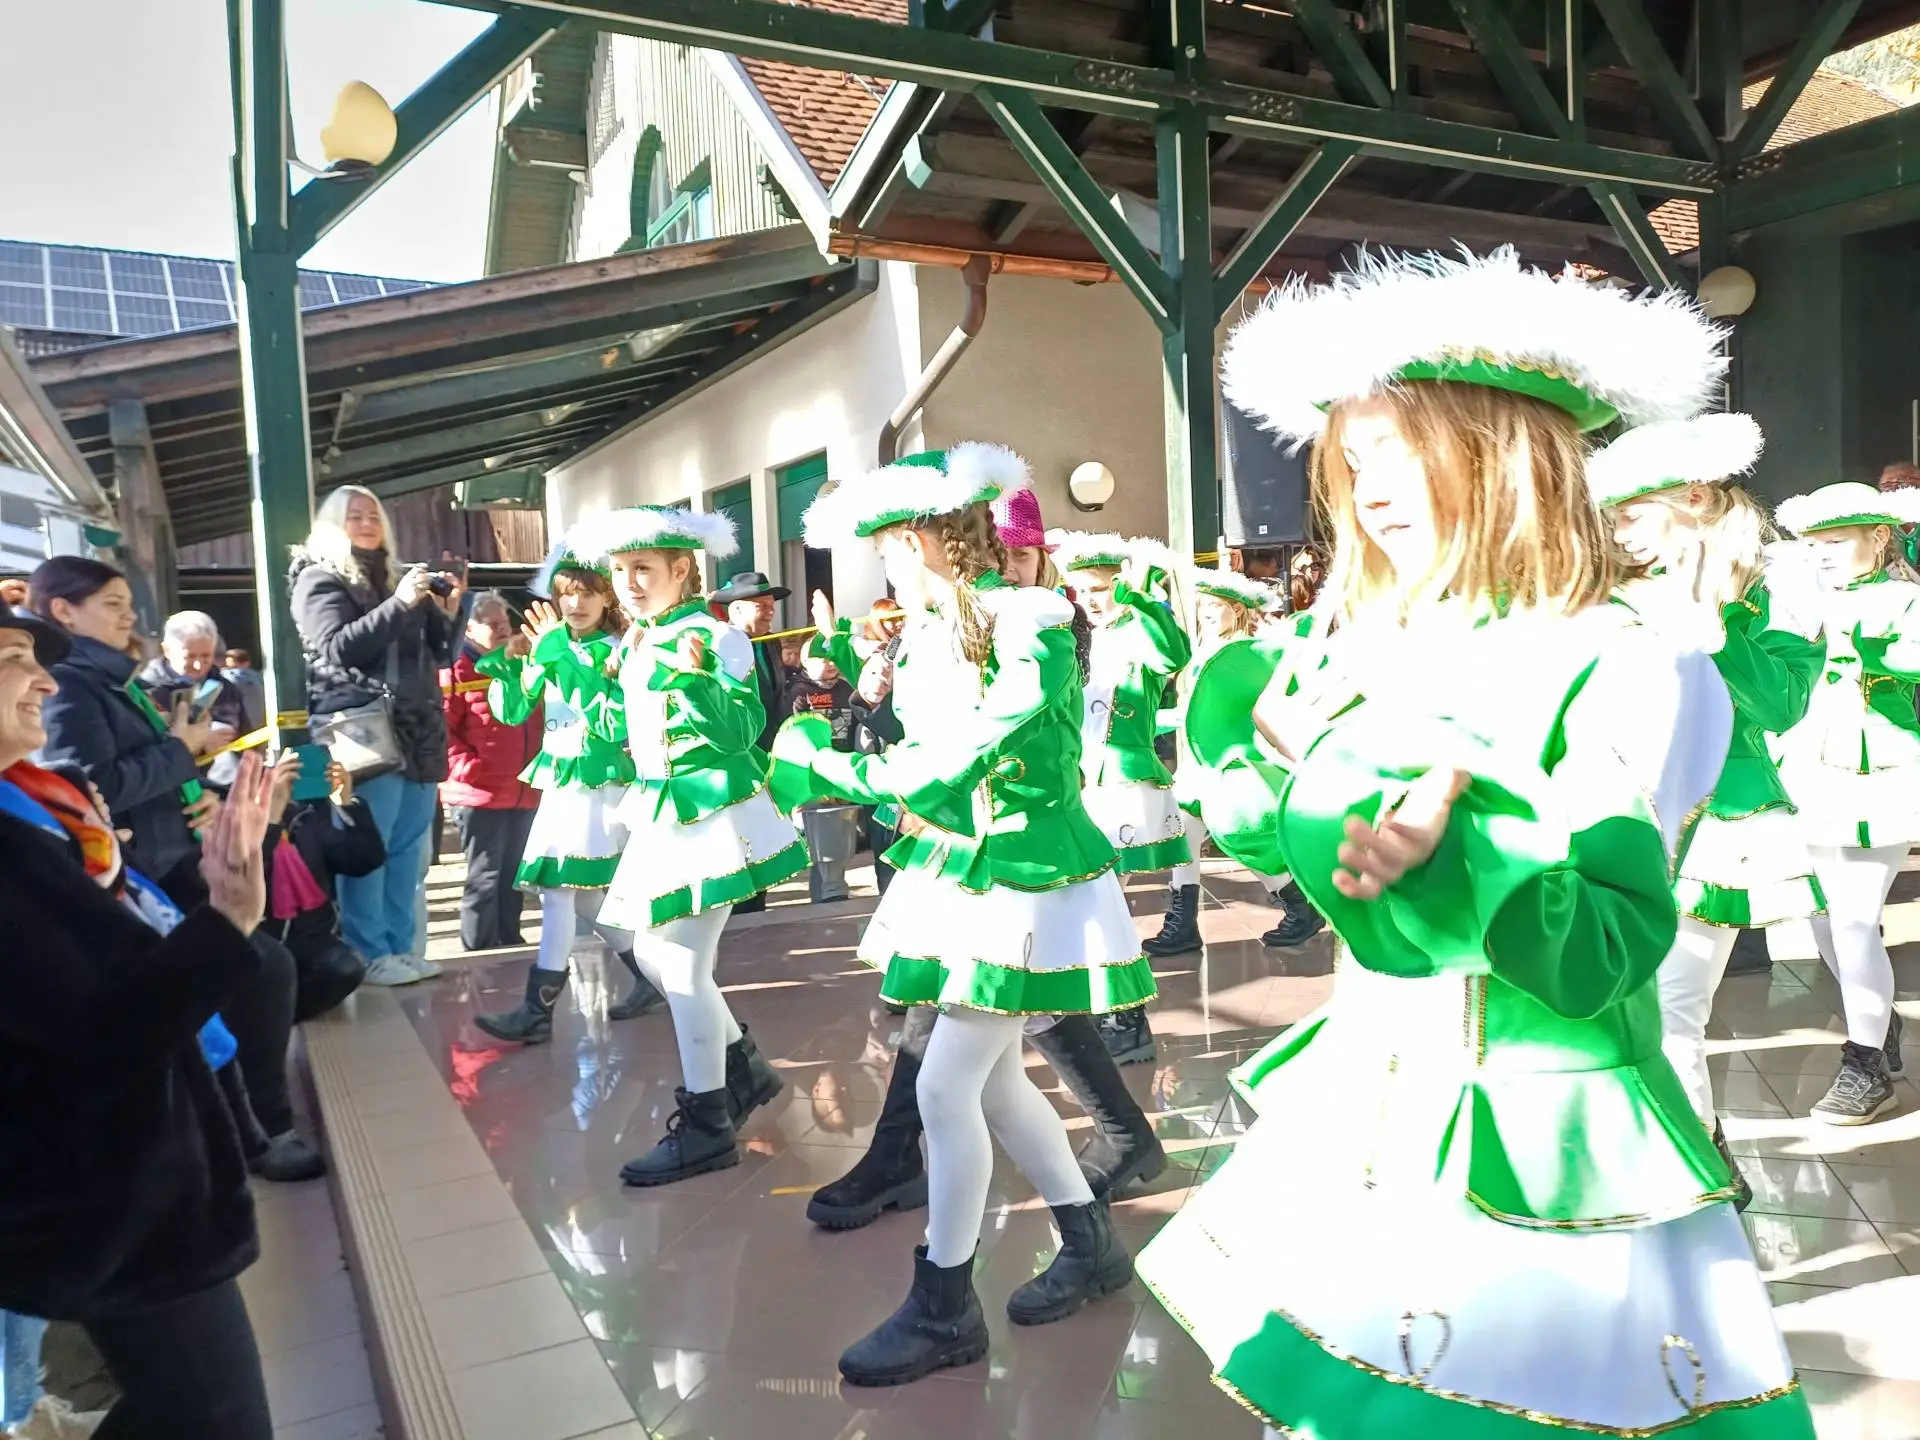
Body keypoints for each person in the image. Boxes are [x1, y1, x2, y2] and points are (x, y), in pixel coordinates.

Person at [1136, 248, 1814, 1439]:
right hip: (1373, 1116)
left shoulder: (1633, 656)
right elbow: (1320, 853)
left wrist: (1463, 856)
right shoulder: (1367, 642)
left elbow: (1602, 948)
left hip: (1546, 1146)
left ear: (1505, 444)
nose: (1369, 486)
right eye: (1353, 461)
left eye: (1400, 446)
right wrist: (1264, 763)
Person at [775, 444, 1150, 1386]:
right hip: (965, 871)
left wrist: (837, 766)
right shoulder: (934, 630)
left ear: (925, 538)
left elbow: (970, 751)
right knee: (984, 1085)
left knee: (948, 1089)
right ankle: (1088, 1239)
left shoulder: (1032, 618)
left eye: (892, 546)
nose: (887, 565)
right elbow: (934, 755)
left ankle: (946, 1305)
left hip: (1023, 872)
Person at [0, 602, 281, 1439]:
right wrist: (229, 916)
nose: (44, 680)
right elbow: (105, 1036)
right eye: (14, 658)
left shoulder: (34, 809)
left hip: (92, 1201)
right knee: (214, 1417)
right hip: (107, 1204)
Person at [29, 557, 325, 1183]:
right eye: (112, 604)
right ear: (62, 610)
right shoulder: (73, 686)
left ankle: (247, 1118)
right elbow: (97, 785)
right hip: (139, 877)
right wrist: (179, 751)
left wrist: (195, 792)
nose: (129, 615)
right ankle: (261, 1130)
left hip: (169, 859)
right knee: (260, 971)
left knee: (266, 966)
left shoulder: (111, 682)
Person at [1591, 413, 1823, 1195]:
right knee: (1643, 1009)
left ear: (1691, 496)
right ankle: (1694, 1167)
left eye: (1631, 515)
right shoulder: (1618, 594)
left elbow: (1782, 703)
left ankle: (1699, 1174)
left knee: (1669, 1008)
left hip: (1717, 823)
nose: (1621, 536)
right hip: (1615, 817)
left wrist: (1711, 620)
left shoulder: (1778, 582)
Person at [594, 509, 806, 1185]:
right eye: (621, 572)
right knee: (650, 948)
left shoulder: (715, 637)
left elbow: (744, 728)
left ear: (682, 569)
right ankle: (742, 1066)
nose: (628, 584)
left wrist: (696, 682)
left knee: (679, 960)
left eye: (643, 570)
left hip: (711, 808)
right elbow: (623, 728)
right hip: (664, 811)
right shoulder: (637, 638)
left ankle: (711, 1120)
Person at [472, 551, 666, 1042]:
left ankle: (536, 1014)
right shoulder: (552, 644)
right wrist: (510, 666)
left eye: (586, 592)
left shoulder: (622, 648)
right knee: (584, 902)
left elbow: (613, 722)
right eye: (565, 593)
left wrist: (557, 656)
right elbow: (514, 711)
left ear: (607, 597)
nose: (575, 602)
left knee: (559, 892)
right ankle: (652, 978)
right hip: (562, 785)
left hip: (599, 784)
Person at [1772, 480, 1920, 1124]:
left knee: (1856, 918)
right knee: (1822, 917)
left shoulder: (1905, 599)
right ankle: (1877, 1024)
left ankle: (1865, 1063)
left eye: (1836, 543)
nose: (1824, 555)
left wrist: (1859, 631)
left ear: (1879, 538)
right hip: (1804, 770)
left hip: (1879, 773)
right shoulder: (1801, 597)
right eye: (1814, 545)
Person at [290, 485, 462, 985]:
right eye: (354, 515)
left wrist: (446, 615)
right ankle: (369, 953)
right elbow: (337, 648)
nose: (366, 522)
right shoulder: (318, 578)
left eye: (372, 515)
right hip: (361, 731)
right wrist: (402, 602)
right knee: (370, 847)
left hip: (415, 727)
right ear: (331, 523)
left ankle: (401, 947)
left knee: (411, 850)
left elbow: (439, 652)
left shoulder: (396, 578)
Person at [1048, 531, 1192, 1065]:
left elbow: (1173, 654)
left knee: (1102, 899)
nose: (1090, 598)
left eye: (1101, 588)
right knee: (1098, 901)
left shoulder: (1140, 629)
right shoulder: (1082, 637)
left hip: (1125, 784)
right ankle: (1116, 1015)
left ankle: (1125, 1020)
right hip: (1083, 785)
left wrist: (1138, 600)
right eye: (1081, 590)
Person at [1167, 567, 1324, 952]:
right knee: (1185, 835)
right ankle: (1183, 923)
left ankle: (1297, 904)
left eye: (1214, 606)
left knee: (1233, 836)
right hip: (1203, 766)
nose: (1204, 613)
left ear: (1236, 610)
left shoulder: (1246, 655)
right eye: (1201, 605)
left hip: (1230, 766)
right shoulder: (1208, 651)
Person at [441, 592, 542, 952]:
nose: (502, 629)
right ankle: (479, 949)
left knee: (514, 876)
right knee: (485, 876)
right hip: (479, 793)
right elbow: (443, 731)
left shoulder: (521, 665)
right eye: (491, 623)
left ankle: (510, 941)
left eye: (505, 622)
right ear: (468, 629)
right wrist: (469, 768)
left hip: (522, 790)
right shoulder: (455, 670)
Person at [260, 754, 382, 1023]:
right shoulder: (240, 824)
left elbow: (364, 860)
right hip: (261, 949)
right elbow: (246, 871)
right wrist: (270, 820)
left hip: (312, 945)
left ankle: (284, 1014)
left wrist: (348, 804)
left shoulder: (306, 819)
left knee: (347, 966)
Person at [137, 611, 250, 788]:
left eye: (206, 656)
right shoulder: (147, 691)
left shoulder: (227, 689)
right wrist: (198, 745)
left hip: (228, 787)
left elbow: (247, 735)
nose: (199, 666)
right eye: (190, 657)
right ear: (167, 650)